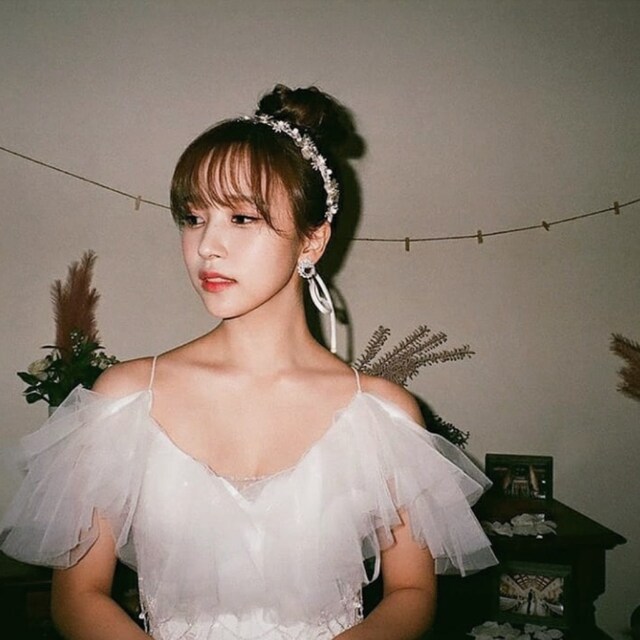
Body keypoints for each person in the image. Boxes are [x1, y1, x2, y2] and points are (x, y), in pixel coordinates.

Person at [0, 84, 497, 640]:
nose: (206, 246)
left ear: (312, 242)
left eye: (241, 218)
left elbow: (411, 594)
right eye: (193, 218)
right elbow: (78, 597)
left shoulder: (382, 415)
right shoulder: (126, 399)